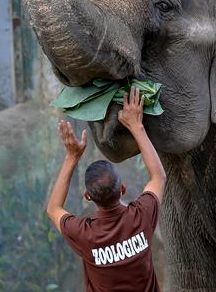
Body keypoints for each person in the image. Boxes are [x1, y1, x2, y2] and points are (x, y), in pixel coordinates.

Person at [46, 86, 167, 292]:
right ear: (123, 188)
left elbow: (53, 209)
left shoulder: (85, 234)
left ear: (87, 196)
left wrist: (71, 158)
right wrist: (136, 126)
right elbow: (159, 176)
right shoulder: (142, 216)